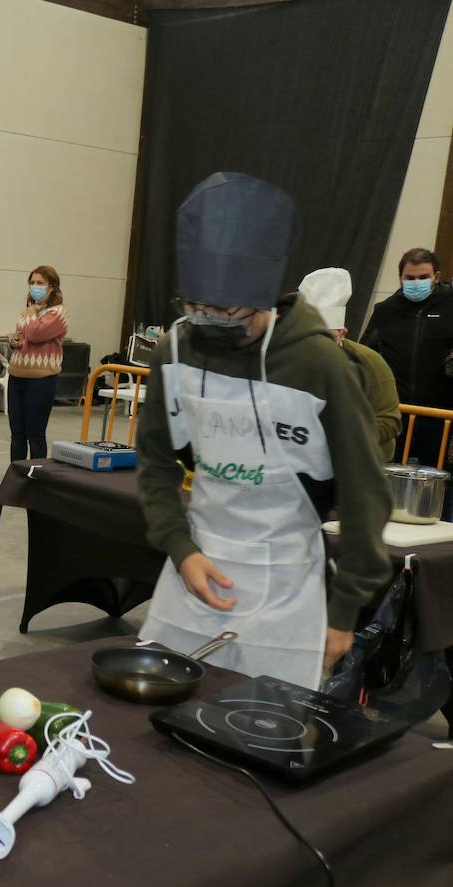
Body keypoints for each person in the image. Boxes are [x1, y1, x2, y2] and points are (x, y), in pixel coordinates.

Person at [136, 172, 391, 689]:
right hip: (195, 569)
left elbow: (366, 491)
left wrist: (345, 613)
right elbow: (156, 461)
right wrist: (180, 549)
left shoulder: (319, 363)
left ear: (265, 295)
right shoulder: (175, 351)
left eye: (226, 308)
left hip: (287, 586)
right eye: (194, 305)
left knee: (267, 729)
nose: (207, 320)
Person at [360, 247, 453, 467]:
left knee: (441, 483)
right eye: (410, 278)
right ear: (400, 278)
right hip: (397, 413)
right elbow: (366, 354)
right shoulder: (385, 310)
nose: (416, 282)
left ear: (436, 277)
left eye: (423, 277)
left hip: (442, 416)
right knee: (390, 473)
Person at [300, 267, 401, 461]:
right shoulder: (291, 360)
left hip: (361, 462)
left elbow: (389, 421)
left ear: (343, 332)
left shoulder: (370, 362)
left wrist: (348, 435)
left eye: (326, 337)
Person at [7, 266, 67, 460]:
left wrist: (32, 310)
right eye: (32, 283)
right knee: (17, 435)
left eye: (40, 283)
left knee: (35, 435)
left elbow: (36, 333)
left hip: (41, 381)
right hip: (17, 376)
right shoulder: (28, 311)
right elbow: (25, 337)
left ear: (51, 287)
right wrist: (15, 341)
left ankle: (36, 477)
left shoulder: (58, 313)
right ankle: (16, 476)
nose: (34, 287)